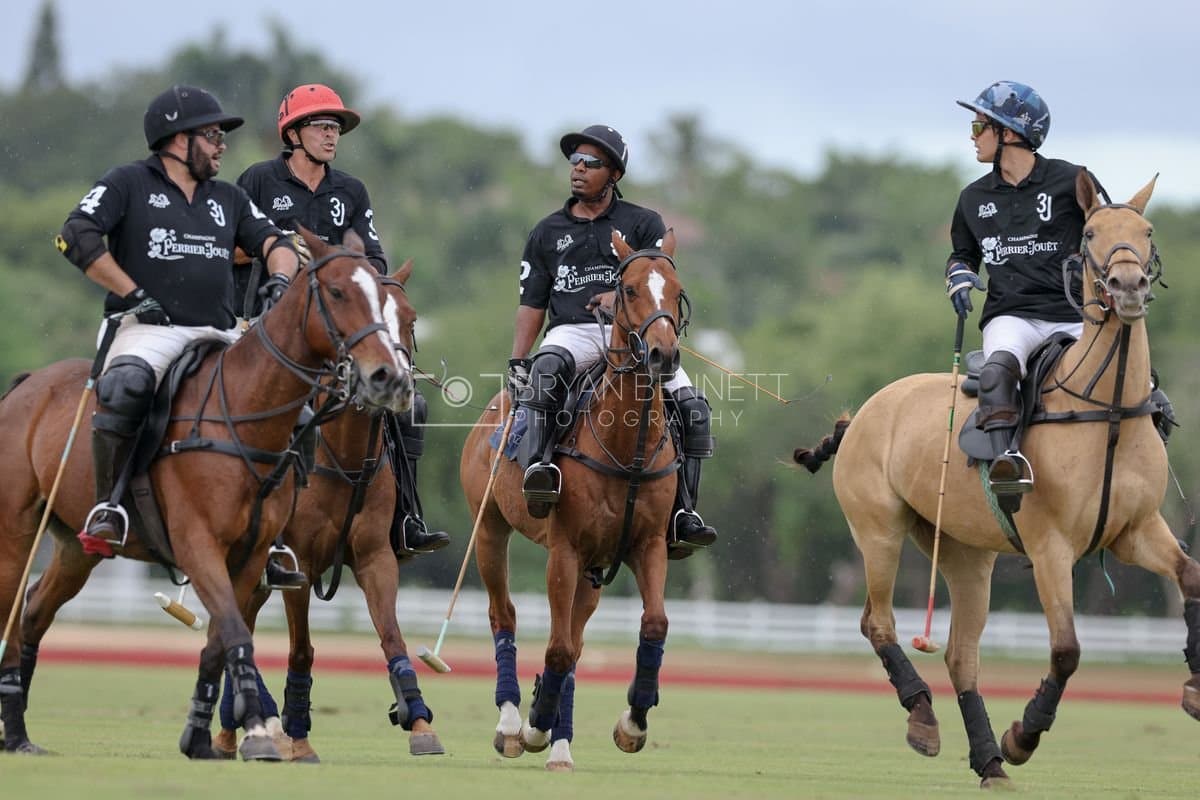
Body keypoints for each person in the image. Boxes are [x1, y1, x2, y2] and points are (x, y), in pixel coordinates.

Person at [55, 85, 302, 557]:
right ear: (177, 139)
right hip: (149, 327)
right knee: (125, 386)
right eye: (213, 136)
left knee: (296, 406)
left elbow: (277, 242)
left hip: (220, 333)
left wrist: (280, 281)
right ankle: (108, 506)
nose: (221, 146)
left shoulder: (227, 197)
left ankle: (274, 534)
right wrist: (132, 293)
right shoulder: (128, 182)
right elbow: (75, 234)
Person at [236, 83, 449, 572]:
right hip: (265, 326)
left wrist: (344, 265)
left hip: (335, 333)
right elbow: (226, 248)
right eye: (321, 126)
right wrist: (278, 247)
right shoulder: (258, 181)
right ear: (293, 133)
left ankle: (406, 518)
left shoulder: (350, 191)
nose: (332, 135)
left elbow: (375, 260)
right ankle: (246, 522)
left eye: (335, 128)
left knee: (408, 404)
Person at [508, 124, 716, 559]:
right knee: (546, 373)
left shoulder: (642, 222)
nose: (579, 169)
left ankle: (684, 512)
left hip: (638, 332)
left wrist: (617, 295)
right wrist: (518, 359)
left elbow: (659, 277)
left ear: (614, 174)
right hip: (575, 331)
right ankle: (541, 471)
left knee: (694, 408)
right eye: (575, 161)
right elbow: (532, 303)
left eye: (591, 163)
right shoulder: (547, 231)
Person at [945, 81, 1088, 496]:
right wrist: (959, 275)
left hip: (1074, 314)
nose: (972, 137)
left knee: (1131, 371)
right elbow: (963, 254)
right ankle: (1007, 462)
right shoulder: (973, 198)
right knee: (997, 370)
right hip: (1012, 315)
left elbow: (1108, 227)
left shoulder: (1072, 180)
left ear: (1009, 132)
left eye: (978, 127)